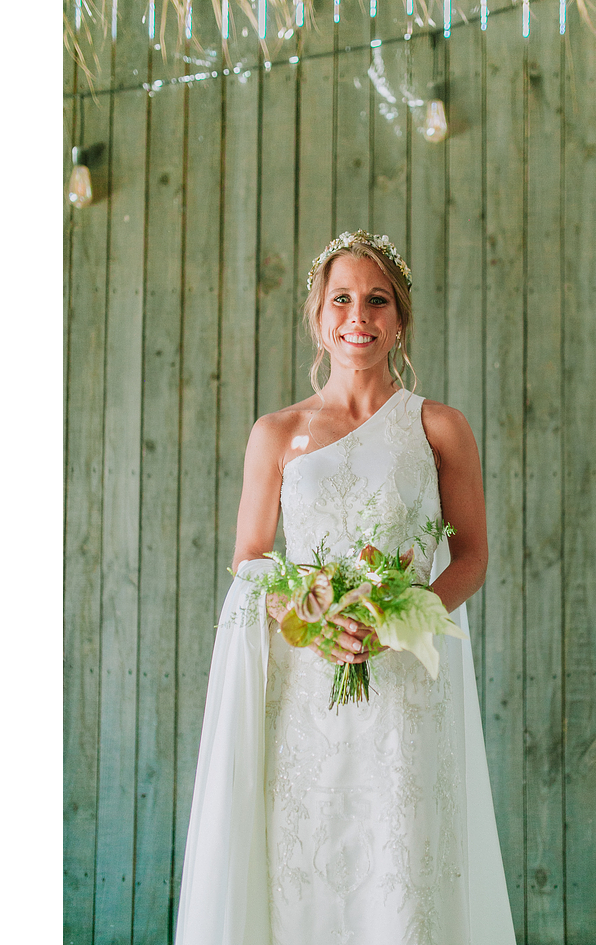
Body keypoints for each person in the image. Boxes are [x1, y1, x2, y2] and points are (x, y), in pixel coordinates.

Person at [175, 231, 517, 945]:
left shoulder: (439, 428)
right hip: (304, 680)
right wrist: (313, 612)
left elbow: (472, 555)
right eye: (341, 298)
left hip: (405, 680)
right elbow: (249, 557)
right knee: (307, 862)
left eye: (376, 299)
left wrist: (402, 621)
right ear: (318, 314)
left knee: (402, 862)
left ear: (399, 319)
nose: (357, 313)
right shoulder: (278, 433)